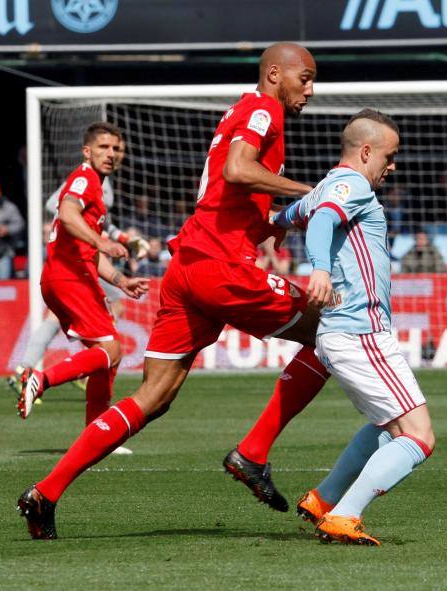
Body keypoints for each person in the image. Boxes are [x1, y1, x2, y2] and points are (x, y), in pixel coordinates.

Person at [16, 42, 325, 540]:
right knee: (334, 330)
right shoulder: (264, 108)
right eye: (305, 78)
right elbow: (237, 171)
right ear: (274, 74)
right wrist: (313, 191)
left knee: (153, 397)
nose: (310, 90)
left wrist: (275, 219)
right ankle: (255, 452)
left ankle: (45, 493)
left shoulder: (239, 113)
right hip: (221, 268)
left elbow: (230, 193)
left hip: (189, 267)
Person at [274, 109, 434, 545]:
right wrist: (320, 269)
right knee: (419, 438)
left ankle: (324, 499)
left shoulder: (328, 184)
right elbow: (322, 218)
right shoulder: (354, 185)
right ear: (366, 151)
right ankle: (344, 516)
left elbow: (296, 212)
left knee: (389, 426)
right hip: (360, 332)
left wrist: (274, 225)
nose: (393, 164)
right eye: (390, 155)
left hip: (344, 333)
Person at [16, 123, 150, 440]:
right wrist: (103, 242)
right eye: (103, 147)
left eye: (116, 148)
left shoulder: (97, 189)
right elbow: (66, 213)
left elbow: (88, 248)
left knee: (107, 358)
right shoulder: (83, 179)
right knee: (112, 350)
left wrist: (120, 280)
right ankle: (41, 379)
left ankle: (97, 436)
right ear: (87, 151)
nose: (111, 154)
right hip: (69, 277)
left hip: (74, 276)